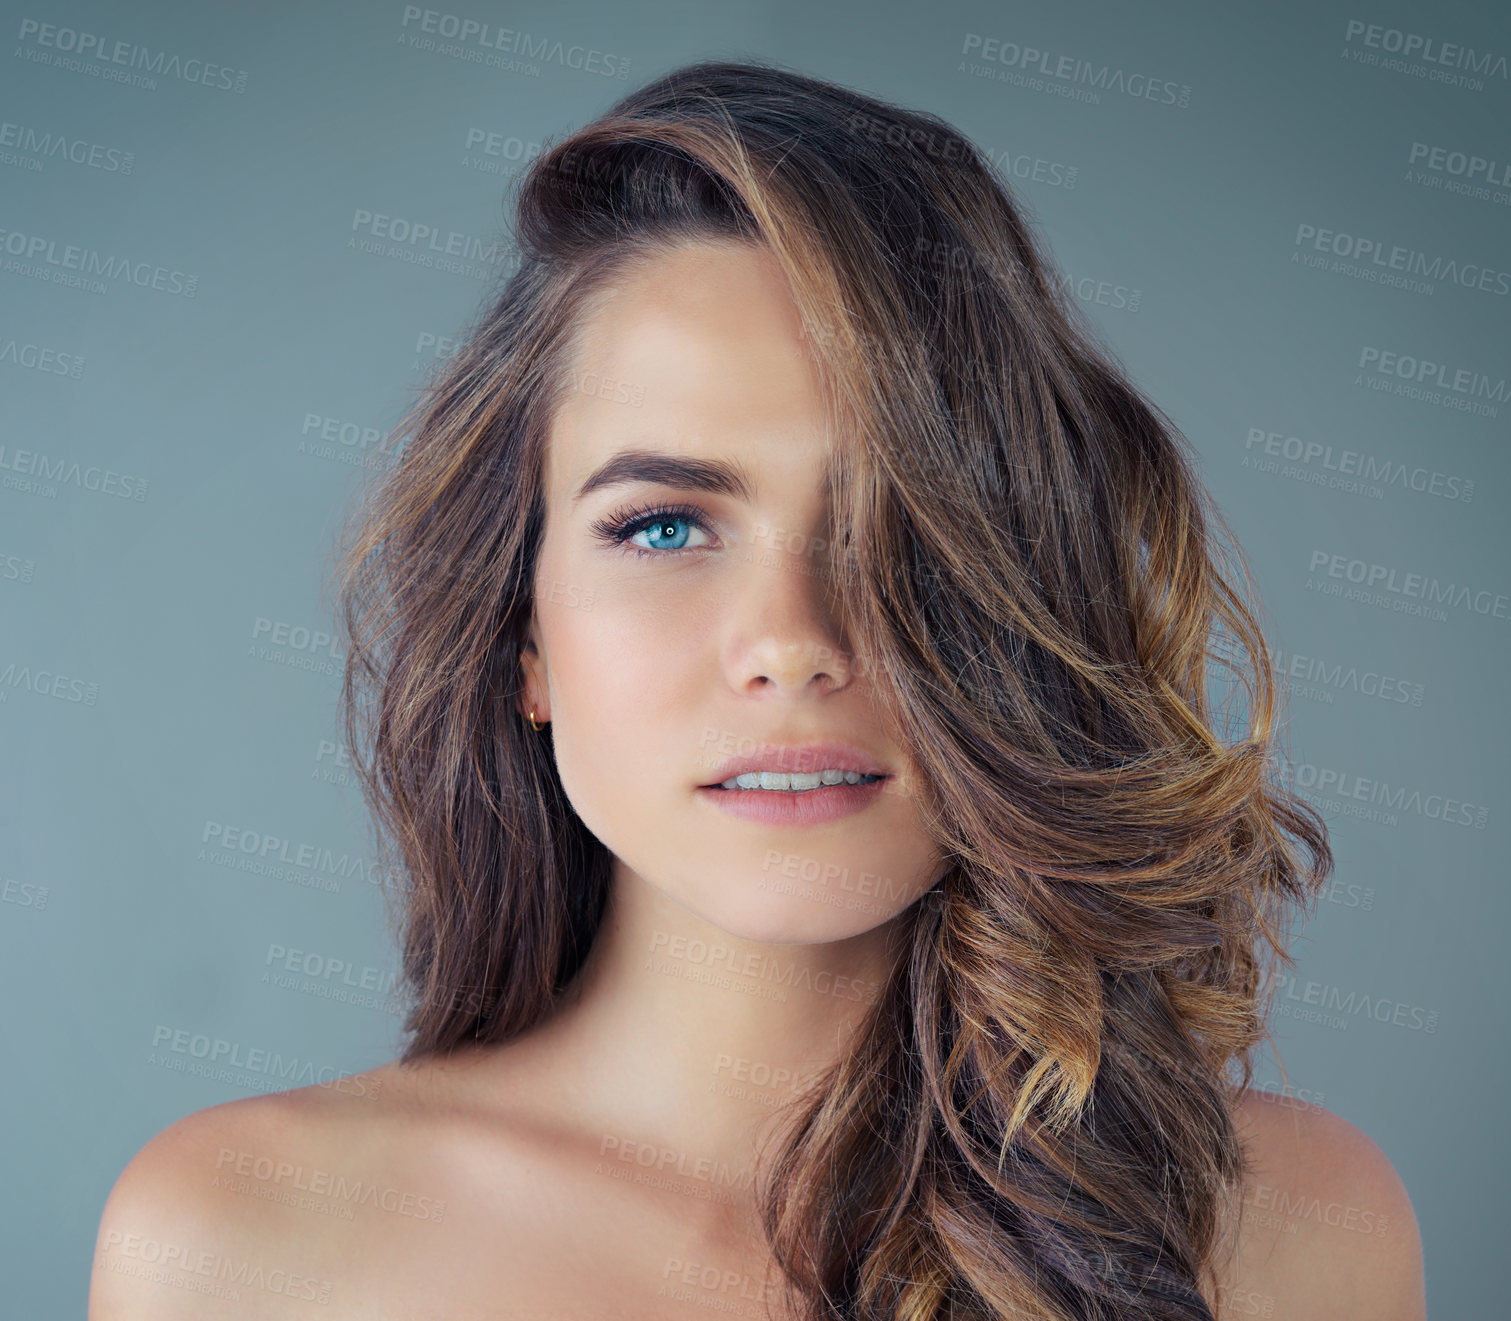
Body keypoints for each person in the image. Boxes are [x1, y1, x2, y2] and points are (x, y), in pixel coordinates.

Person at [90, 59, 1425, 1320]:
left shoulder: (1298, 1227)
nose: (793, 643)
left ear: (1030, 594)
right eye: (664, 526)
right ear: (527, 639)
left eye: (900, 525)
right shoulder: (235, 1243)